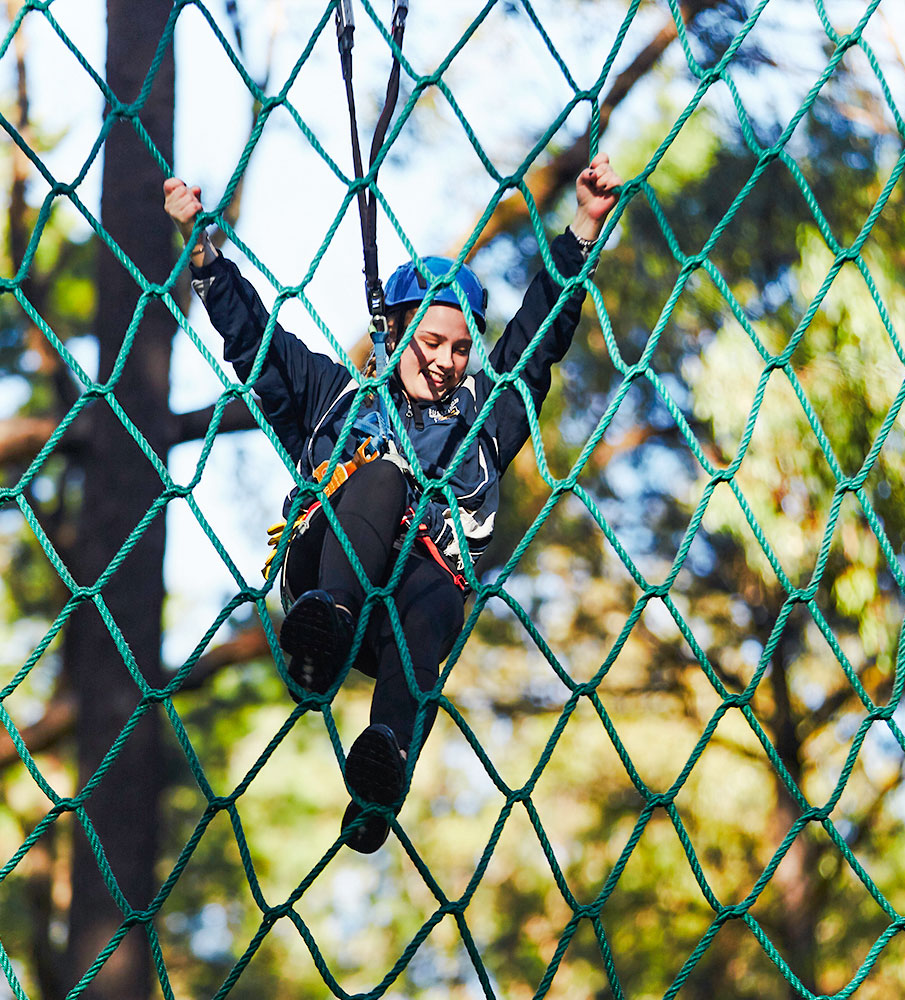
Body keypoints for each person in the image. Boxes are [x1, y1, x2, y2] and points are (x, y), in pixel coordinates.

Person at [162, 154, 622, 853]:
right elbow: (256, 341)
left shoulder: (481, 424)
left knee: (443, 595)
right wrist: (203, 252)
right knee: (380, 478)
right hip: (326, 570)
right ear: (395, 334)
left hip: (403, 610)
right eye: (431, 341)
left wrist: (581, 233)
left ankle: (381, 775)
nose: (446, 361)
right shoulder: (337, 399)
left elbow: (535, 341)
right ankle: (325, 632)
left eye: (462, 349)